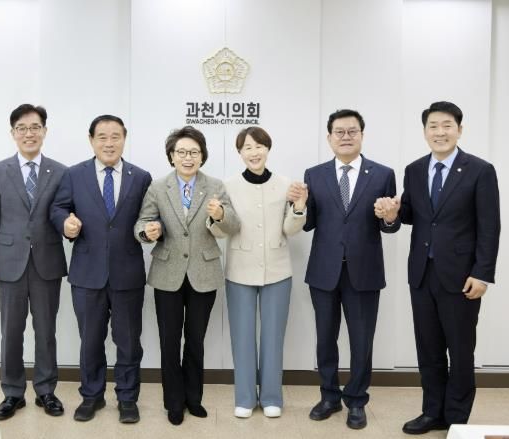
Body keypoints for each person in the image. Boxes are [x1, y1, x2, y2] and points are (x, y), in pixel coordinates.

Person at [378, 101, 500, 434]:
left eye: (447, 125)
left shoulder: (480, 170)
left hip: (462, 277)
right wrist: (391, 215)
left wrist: (482, 273)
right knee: (428, 348)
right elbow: (410, 215)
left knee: (460, 350)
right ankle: (432, 411)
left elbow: (490, 227)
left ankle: (456, 417)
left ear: (459, 130)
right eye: (433, 126)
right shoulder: (415, 170)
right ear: (425, 131)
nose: (440, 132)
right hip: (422, 274)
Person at [134, 126, 240, 425]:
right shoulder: (158, 187)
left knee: (195, 340)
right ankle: (173, 402)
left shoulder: (215, 186)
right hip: (167, 272)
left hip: (203, 273)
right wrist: (148, 231)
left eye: (194, 152)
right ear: (171, 156)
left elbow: (232, 225)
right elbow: (142, 221)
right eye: (181, 152)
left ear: (202, 156)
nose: (188, 157)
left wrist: (220, 215)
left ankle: (194, 399)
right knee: (169, 341)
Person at [49, 115, 152, 424]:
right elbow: (58, 208)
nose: (109, 143)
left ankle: (127, 398)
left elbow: (148, 216)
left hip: (127, 273)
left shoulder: (141, 177)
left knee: (129, 342)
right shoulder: (74, 174)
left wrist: (151, 229)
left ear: (124, 138)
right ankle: (91, 396)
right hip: (86, 273)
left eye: (115, 136)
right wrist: (66, 224)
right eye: (102, 137)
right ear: (91, 140)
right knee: (90, 341)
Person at [301, 109, 399, 430]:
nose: (346, 137)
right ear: (329, 137)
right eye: (339, 132)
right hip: (324, 271)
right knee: (325, 339)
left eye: (352, 131)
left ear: (362, 135)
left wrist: (389, 217)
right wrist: (298, 206)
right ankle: (329, 396)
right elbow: (308, 223)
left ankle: (356, 400)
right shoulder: (314, 174)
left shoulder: (382, 174)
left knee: (361, 341)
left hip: (364, 272)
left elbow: (389, 223)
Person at [0, 104, 67, 420]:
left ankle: (46, 391)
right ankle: (13, 393)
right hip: (9, 263)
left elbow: (64, 213)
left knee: (46, 331)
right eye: (22, 128)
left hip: (47, 262)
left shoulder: (61, 172)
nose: (29, 133)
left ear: (44, 131)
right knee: (11, 331)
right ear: (13, 133)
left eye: (35, 127)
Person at [220, 127, 307, 419]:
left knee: (273, 337)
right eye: (247, 147)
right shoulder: (228, 186)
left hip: (278, 271)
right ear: (240, 153)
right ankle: (245, 398)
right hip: (239, 270)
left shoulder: (286, 184)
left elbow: (290, 229)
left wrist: (299, 207)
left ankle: (271, 397)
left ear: (268, 149)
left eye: (259, 146)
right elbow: (222, 230)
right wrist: (216, 218)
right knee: (242, 337)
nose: (254, 152)